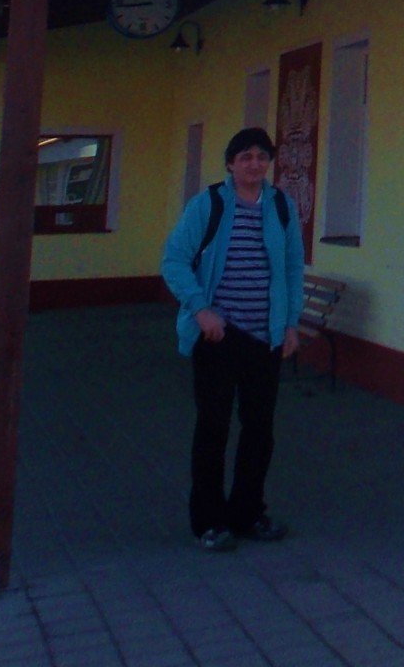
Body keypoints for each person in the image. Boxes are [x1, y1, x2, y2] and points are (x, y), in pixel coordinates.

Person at [160, 127, 305, 552]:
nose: (254, 164)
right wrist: (201, 310)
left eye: (262, 156)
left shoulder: (281, 206)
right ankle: (209, 521)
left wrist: (290, 324)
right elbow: (174, 260)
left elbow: (293, 268)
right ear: (230, 164)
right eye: (245, 157)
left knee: (260, 430)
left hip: (266, 338)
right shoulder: (209, 205)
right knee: (213, 429)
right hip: (219, 336)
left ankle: (248, 513)